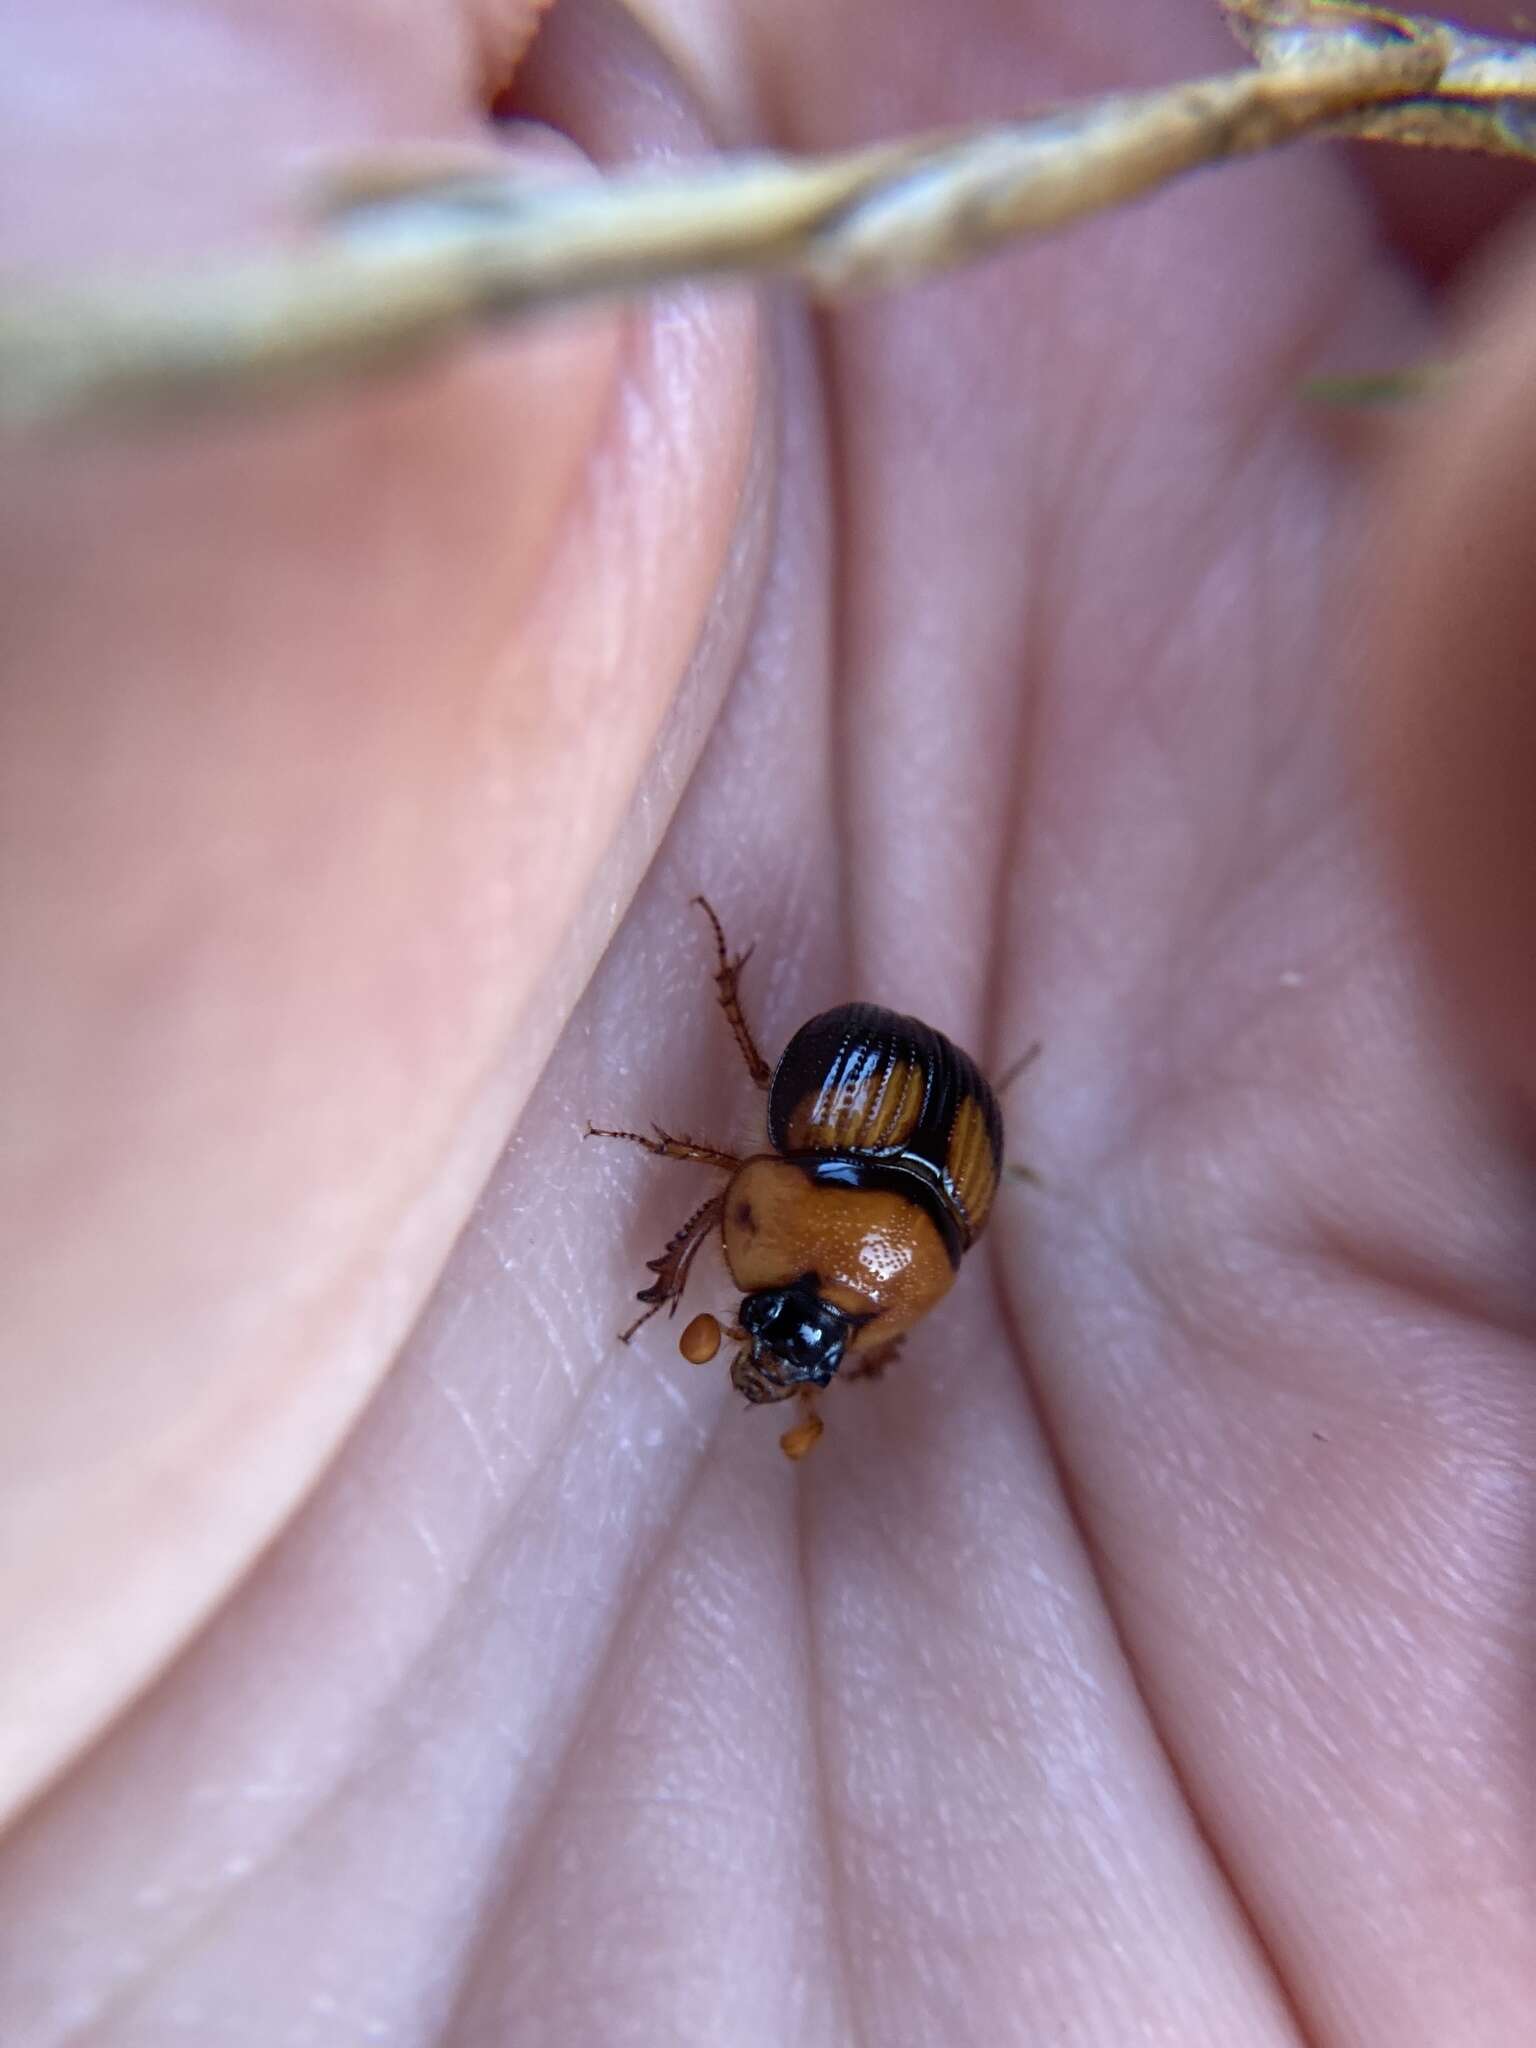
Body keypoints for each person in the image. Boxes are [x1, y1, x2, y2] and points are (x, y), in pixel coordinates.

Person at [2, 0, 1533, 2039]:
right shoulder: (842, 1247)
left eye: (801, 1324)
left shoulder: (842, 1244)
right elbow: (780, 1198)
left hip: (883, 1125)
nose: (795, 1332)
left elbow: (777, 1192)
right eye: (806, 1328)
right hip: (879, 1123)